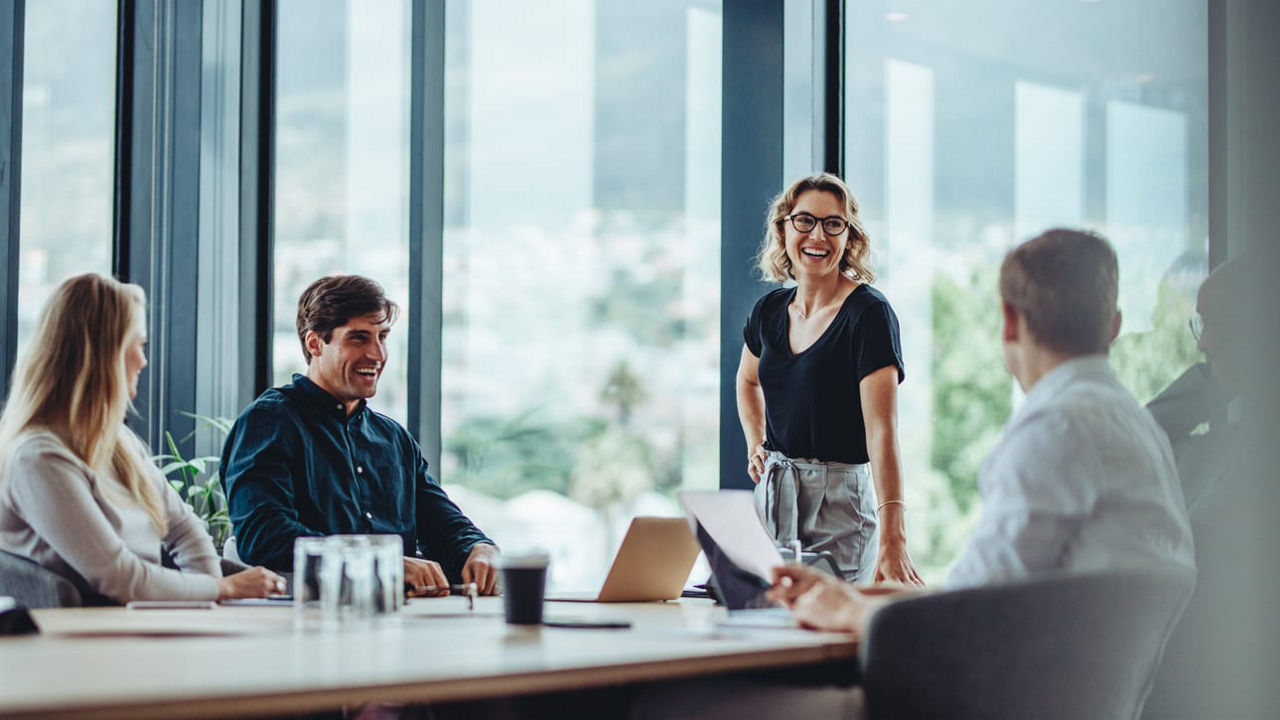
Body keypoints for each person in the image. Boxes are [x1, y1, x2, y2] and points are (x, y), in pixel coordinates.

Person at [769, 228, 1195, 633]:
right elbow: (985, 591)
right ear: (1113, 326)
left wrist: (845, 609)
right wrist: (855, 596)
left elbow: (969, 620)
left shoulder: (1055, 431)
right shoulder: (1136, 425)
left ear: (1008, 323)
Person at [0, 273, 284, 603]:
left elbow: (184, 529)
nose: (144, 360)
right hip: (81, 641)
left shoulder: (117, 442)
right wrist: (224, 588)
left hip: (136, 625)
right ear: (104, 354)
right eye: (139, 344)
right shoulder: (39, 458)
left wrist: (208, 601)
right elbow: (118, 577)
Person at [222, 275, 500, 596]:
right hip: (305, 622)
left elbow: (442, 523)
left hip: (401, 620)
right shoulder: (270, 421)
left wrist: (479, 548)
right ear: (315, 344)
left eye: (382, 337)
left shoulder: (393, 438)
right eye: (359, 338)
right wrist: (381, 562)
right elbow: (264, 536)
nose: (377, 354)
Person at [736, 173, 921, 584]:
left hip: (839, 503)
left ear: (849, 237)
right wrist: (755, 443)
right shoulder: (768, 311)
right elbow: (747, 381)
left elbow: (882, 432)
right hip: (773, 494)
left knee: (830, 636)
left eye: (832, 223)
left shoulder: (868, 314)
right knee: (766, 628)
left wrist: (895, 537)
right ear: (784, 229)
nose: (817, 235)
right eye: (804, 221)